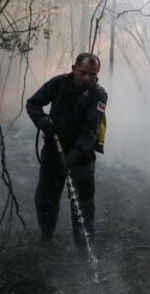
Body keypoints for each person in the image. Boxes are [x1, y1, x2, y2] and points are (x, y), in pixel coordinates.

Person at [26, 53, 107, 248]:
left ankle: (84, 248)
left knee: (83, 204)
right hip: (53, 149)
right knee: (45, 198)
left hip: (82, 156)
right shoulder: (59, 83)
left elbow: (91, 130)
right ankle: (47, 236)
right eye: (83, 72)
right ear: (74, 68)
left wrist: (74, 155)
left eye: (92, 74)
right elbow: (33, 103)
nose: (87, 78)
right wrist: (42, 121)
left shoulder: (98, 94)